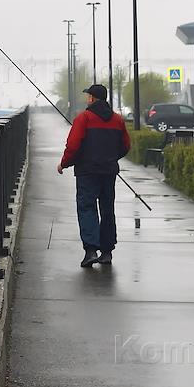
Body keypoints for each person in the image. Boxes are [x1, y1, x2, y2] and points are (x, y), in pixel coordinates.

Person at [56, 84, 131, 268]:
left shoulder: (84, 118)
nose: (87, 99)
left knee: (87, 208)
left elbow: (73, 146)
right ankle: (107, 252)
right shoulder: (117, 120)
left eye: (88, 96)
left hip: (87, 172)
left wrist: (64, 163)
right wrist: (110, 158)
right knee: (107, 209)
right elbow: (125, 146)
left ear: (92, 98)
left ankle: (91, 251)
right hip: (109, 171)